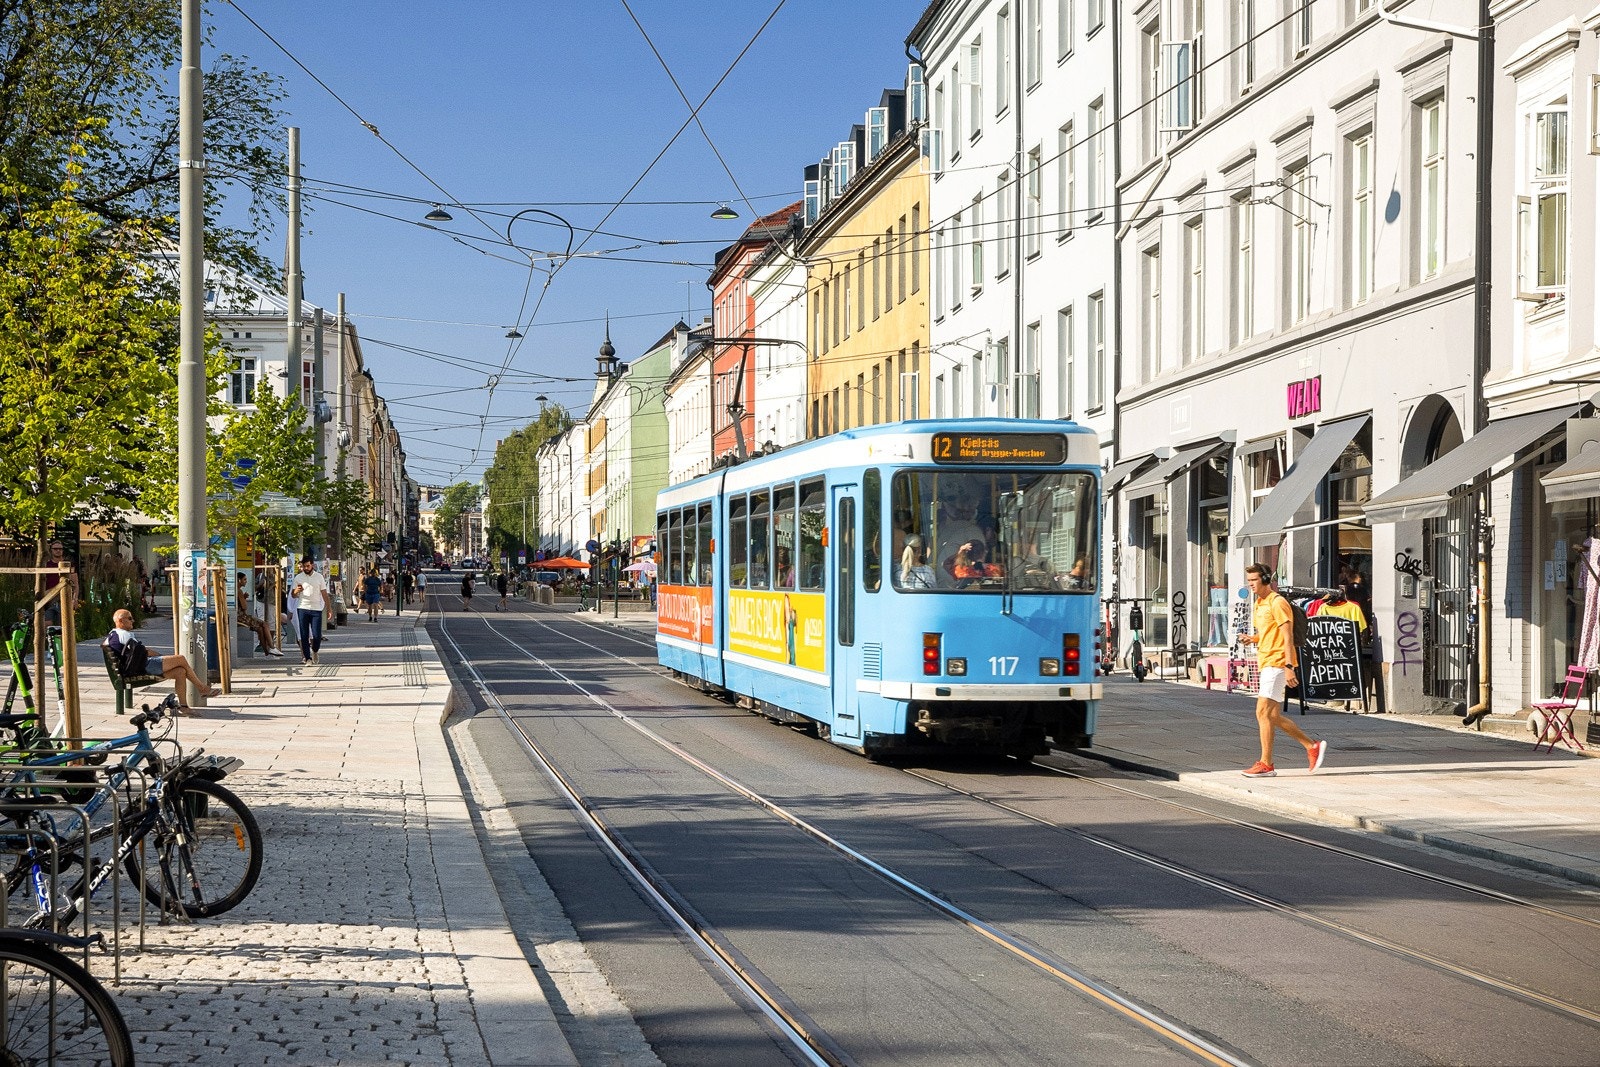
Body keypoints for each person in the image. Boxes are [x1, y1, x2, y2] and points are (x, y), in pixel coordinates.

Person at [1238, 564, 1327, 777]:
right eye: (1249, 581)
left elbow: (1288, 636)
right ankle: (1311, 745)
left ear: (1265, 579)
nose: (1251, 584)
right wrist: (1253, 638)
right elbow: (1269, 632)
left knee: (1262, 712)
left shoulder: (1277, 602)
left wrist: (1289, 666)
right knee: (1272, 716)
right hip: (1266, 660)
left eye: (1254, 580)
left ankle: (1266, 764)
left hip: (1277, 662)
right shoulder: (1259, 603)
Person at [107, 608, 217, 709]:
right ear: (120, 621)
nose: (133, 620)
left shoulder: (113, 634)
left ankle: (184, 707)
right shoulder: (124, 635)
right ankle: (202, 688)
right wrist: (161, 657)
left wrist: (162, 658)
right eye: (130, 618)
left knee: (180, 671)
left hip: (132, 668)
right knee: (180, 659)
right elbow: (144, 651)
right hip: (142, 667)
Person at [290, 557, 329, 665]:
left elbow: (324, 594)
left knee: (317, 635)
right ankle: (307, 658)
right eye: (304, 566)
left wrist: (329, 608)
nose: (306, 568)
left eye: (308, 566)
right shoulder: (298, 577)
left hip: (316, 609)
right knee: (304, 634)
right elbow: (293, 595)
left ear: (312, 565)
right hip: (303, 608)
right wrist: (296, 591)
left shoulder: (319, 577)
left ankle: (315, 651)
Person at [236, 574, 283, 657]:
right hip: (242, 617)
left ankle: (266, 651)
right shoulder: (239, 591)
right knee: (265, 624)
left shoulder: (237, 591)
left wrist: (243, 598)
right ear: (239, 580)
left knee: (260, 629)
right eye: (244, 579)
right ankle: (272, 647)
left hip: (240, 616)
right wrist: (244, 599)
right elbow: (244, 607)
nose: (246, 581)